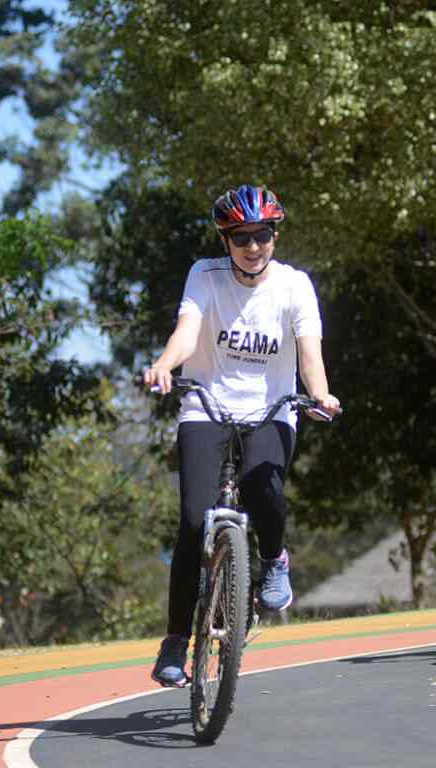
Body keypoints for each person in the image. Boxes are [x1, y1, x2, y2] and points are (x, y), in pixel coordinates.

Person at [142, 184, 342, 687]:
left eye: (262, 235)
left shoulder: (294, 286)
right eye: (241, 237)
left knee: (262, 486)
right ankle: (175, 642)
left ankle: (273, 559)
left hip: (271, 410)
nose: (253, 246)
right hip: (206, 405)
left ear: (275, 235)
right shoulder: (204, 275)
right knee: (193, 521)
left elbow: (309, 353)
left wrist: (320, 394)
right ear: (224, 240)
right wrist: (165, 365)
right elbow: (187, 332)